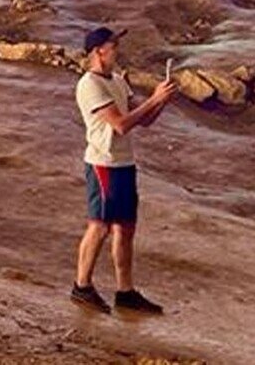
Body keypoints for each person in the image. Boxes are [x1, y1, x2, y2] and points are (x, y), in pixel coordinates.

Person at [70, 27, 178, 314]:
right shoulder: (89, 85)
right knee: (100, 225)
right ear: (97, 52)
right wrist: (154, 99)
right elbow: (120, 124)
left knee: (125, 228)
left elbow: (143, 120)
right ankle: (81, 286)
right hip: (103, 162)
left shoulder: (117, 80)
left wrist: (162, 100)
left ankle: (125, 291)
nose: (118, 49)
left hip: (123, 162)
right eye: (113, 45)